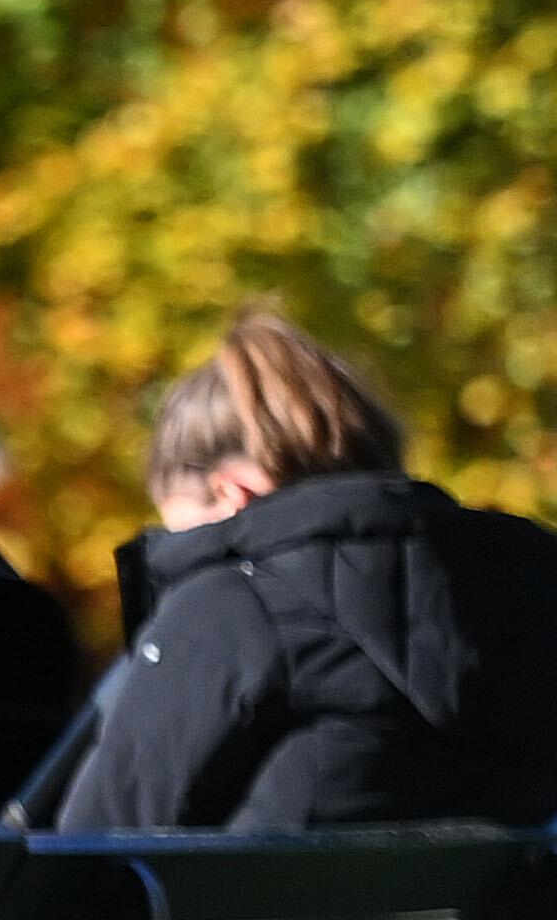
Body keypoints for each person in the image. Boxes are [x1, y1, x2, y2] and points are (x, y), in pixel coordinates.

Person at [40, 308, 557, 831]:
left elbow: (88, 854)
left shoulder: (233, 606)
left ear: (232, 494)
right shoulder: (529, 590)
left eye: (183, 539)